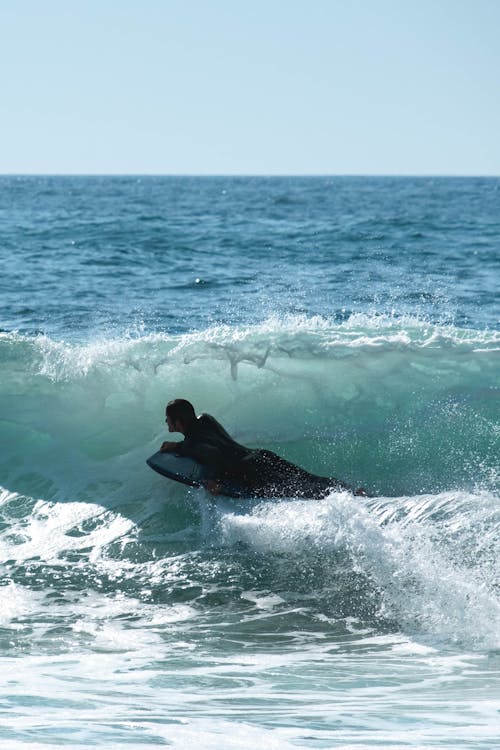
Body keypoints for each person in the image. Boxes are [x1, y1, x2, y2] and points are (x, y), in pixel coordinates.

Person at [160, 398, 367, 498]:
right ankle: (352, 491)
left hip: (252, 472)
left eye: (168, 419)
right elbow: (209, 443)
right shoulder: (206, 419)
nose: (166, 422)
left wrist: (210, 479)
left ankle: (346, 500)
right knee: (309, 479)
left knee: (301, 490)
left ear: (178, 422)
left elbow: (210, 453)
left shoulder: (193, 444)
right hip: (261, 456)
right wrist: (180, 445)